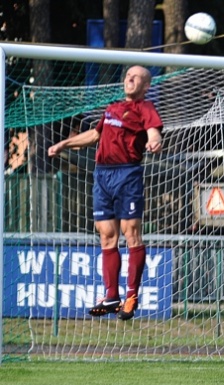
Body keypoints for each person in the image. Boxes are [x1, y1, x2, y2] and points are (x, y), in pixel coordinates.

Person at [48, 65, 162, 321]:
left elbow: (154, 130)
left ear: (145, 87)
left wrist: (155, 140)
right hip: (102, 175)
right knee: (106, 235)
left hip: (127, 174)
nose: (129, 79)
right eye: (128, 76)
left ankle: (131, 296)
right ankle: (111, 296)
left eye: (136, 78)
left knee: (130, 232)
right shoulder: (112, 108)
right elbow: (95, 135)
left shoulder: (145, 108)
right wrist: (64, 143)